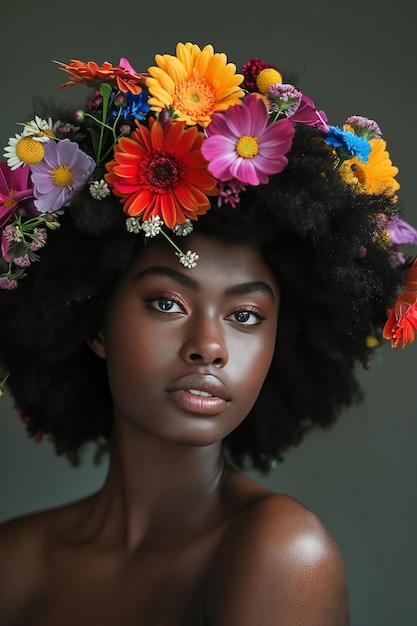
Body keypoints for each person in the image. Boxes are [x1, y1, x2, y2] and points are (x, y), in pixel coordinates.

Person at [0, 42, 415, 625]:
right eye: (167, 302)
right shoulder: (13, 563)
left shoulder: (281, 553)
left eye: (246, 316)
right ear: (95, 325)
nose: (210, 346)